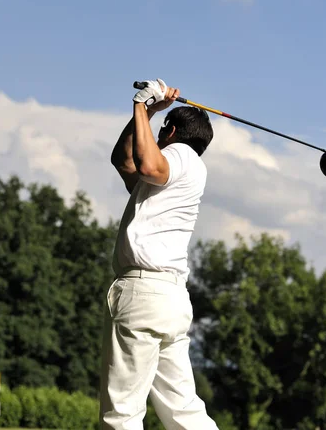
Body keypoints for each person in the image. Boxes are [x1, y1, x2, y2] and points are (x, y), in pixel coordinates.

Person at [100, 78, 218, 430]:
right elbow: (123, 161)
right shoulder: (182, 170)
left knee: (122, 413)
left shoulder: (178, 156)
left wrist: (141, 107)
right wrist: (147, 112)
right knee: (183, 410)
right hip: (169, 299)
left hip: (143, 294)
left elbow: (148, 164)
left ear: (170, 131)